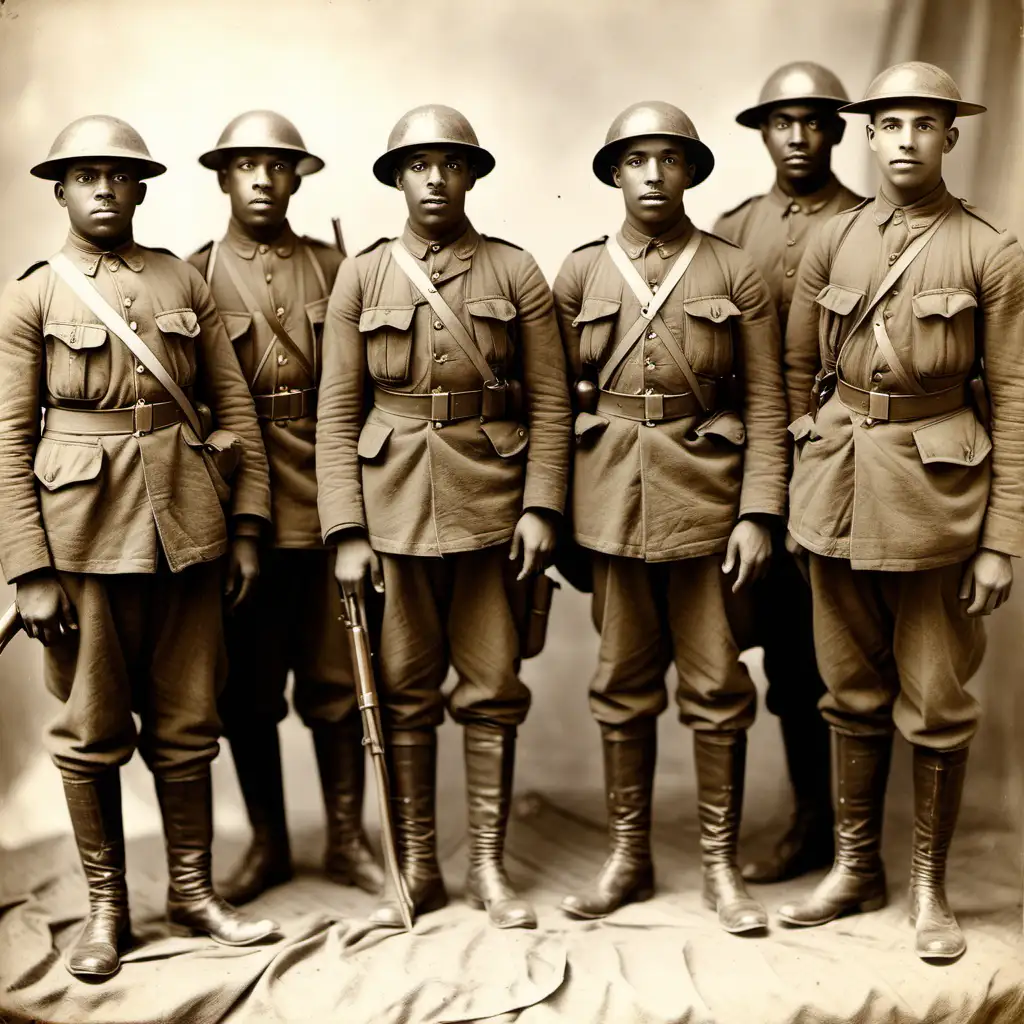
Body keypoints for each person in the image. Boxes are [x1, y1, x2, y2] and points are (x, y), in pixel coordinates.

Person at [0, 116, 277, 980]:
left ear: (142, 188)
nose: (105, 190)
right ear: (61, 191)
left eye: (119, 177)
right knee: (89, 731)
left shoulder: (182, 280)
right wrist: (29, 568)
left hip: (187, 534)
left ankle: (191, 894)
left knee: (190, 723)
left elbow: (233, 410)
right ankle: (107, 908)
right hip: (81, 543)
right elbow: (9, 440)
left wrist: (245, 529)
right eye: (86, 177)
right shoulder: (34, 294)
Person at [778, 62, 1024, 962]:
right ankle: (855, 868)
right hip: (836, 494)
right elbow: (795, 364)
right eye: (890, 125)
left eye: (925, 124)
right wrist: (809, 438)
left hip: (940, 503)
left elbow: (1017, 393)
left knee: (936, 703)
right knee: (847, 693)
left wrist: (1002, 540)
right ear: (869, 137)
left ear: (950, 139)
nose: (907, 140)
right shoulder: (832, 242)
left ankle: (929, 885)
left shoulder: (990, 250)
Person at [316, 105, 571, 929]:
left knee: (493, 690)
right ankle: (421, 866)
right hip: (391, 511)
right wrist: (347, 532)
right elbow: (336, 414)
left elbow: (554, 405)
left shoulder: (515, 270)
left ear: (471, 175)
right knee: (403, 690)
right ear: (396, 177)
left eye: (450, 164)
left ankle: (490, 871)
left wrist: (540, 507)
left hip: (493, 506)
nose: (434, 178)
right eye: (417, 164)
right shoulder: (361, 276)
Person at [553, 101, 789, 933]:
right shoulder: (580, 274)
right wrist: (550, 512)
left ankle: (721, 869)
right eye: (636, 159)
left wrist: (759, 513)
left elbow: (768, 401)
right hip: (610, 505)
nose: (654, 174)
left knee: (719, 688)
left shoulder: (735, 271)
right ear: (614, 173)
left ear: (691, 170)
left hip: (709, 506)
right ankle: (629, 856)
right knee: (621, 686)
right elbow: (553, 406)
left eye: (669, 158)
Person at [189, 110, 383, 905]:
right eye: (245, 165)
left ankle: (345, 840)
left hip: (333, 491)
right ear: (222, 176)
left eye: (277, 165)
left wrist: (358, 517)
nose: (263, 179)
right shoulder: (193, 275)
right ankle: (268, 843)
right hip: (240, 508)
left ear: (298, 175)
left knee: (339, 682)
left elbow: (369, 391)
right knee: (248, 690)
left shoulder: (338, 266)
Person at [713, 61, 864, 885]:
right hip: (741, 478)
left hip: (840, 467)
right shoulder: (730, 231)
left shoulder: (871, 224)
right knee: (754, 652)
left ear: (838, 129)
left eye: (813, 121)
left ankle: (836, 830)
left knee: (828, 657)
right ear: (762, 133)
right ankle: (782, 827)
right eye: (781, 122)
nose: (798, 136)